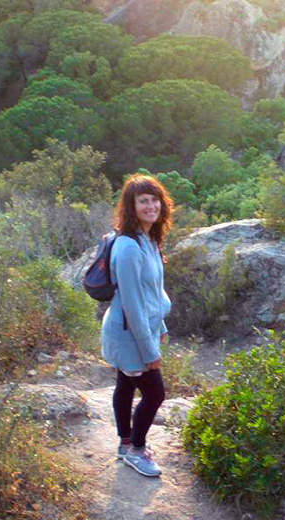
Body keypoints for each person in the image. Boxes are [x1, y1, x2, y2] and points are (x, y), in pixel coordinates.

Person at [101, 173, 173, 477]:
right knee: (155, 394)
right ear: (131, 206)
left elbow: (152, 292)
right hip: (129, 334)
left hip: (139, 330)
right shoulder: (129, 247)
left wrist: (161, 327)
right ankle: (136, 449)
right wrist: (148, 348)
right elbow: (132, 304)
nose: (150, 205)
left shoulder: (148, 239)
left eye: (154, 199)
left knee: (126, 385)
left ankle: (125, 443)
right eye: (143, 200)